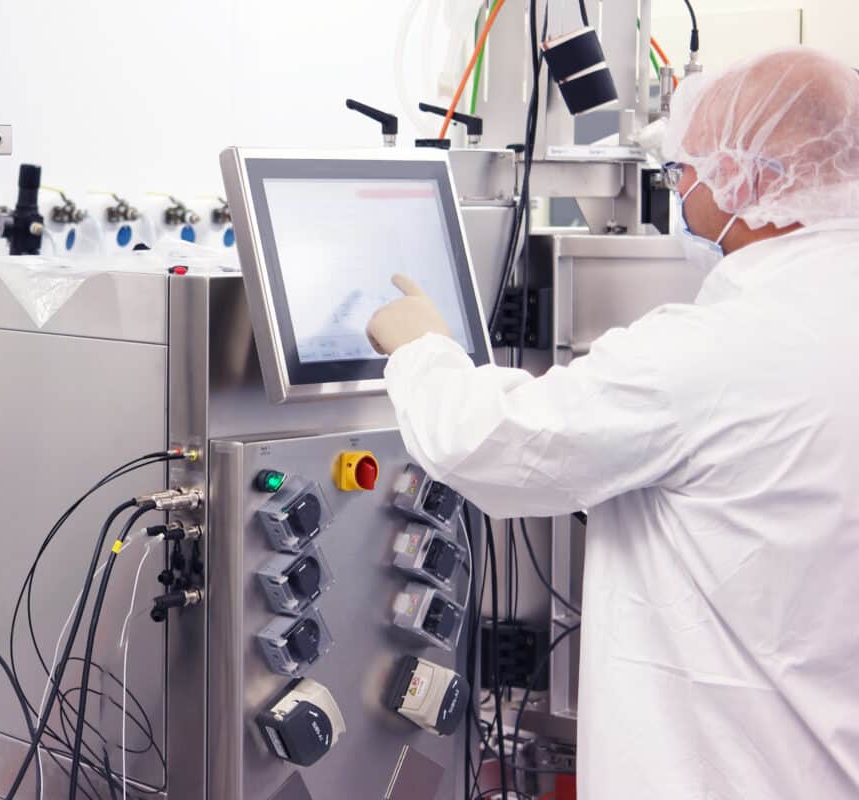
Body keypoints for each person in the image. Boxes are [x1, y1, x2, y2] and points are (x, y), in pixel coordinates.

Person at [367, 47, 859, 798]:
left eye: (685, 173)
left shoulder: (715, 349)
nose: (681, 194)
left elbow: (492, 443)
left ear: (754, 179)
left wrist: (421, 351)